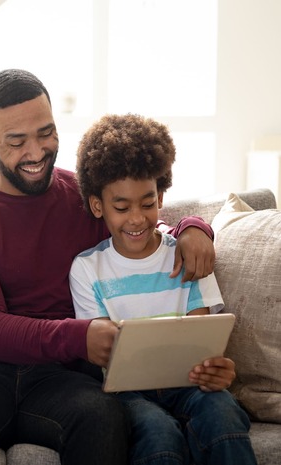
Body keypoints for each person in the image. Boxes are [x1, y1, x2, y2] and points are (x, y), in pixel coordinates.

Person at [0, 69, 219, 465]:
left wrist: (194, 228)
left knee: (102, 416)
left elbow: (137, 223)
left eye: (46, 132)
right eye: (16, 141)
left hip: (61, 378)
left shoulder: (80, 197)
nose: (36, 152)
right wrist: (81, 336)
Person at [69, 113, 256, 465]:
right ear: (98, 205)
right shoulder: (86, 269)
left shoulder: (186, 253)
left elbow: (203, 339)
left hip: (189, 384)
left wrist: (214, 368)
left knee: (223, 414)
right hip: (128, 394)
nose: (137, 218)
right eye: (121, 207)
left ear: (161, 197)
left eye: (147, 203)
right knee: (158, 433)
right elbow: (101, 351)